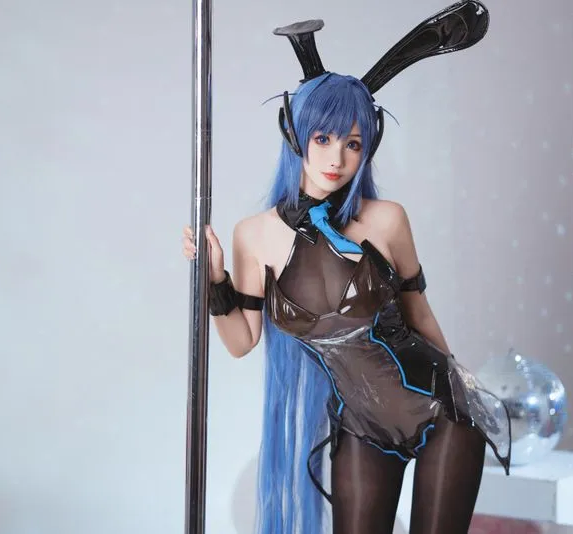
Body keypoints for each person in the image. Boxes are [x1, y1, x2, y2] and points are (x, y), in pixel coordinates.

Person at [183, 3, 511, 533]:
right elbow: (242, 341)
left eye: (352, 143)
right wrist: (214, 278)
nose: (336, 158)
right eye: (323, 139)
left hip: (440, 410)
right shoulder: (253, 235)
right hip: (360, 422)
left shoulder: (386, 220)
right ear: (296, 135)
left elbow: (420, 315)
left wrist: (465, 385)